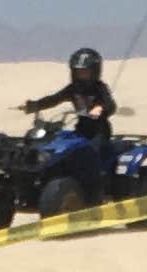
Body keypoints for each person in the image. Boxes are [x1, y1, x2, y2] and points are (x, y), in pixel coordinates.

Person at [21, 45, 118, 188]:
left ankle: (95, 186)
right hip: (81, 129)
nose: (81, 76)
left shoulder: (100, 88)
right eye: (78, 72)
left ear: (95, 72)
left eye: (85, 72)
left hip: (99, 131)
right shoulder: (73, 88)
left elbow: (110, 105)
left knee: (91, 153)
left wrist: (100, 109)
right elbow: (55, 99)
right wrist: (36, 105)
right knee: (58, 146)